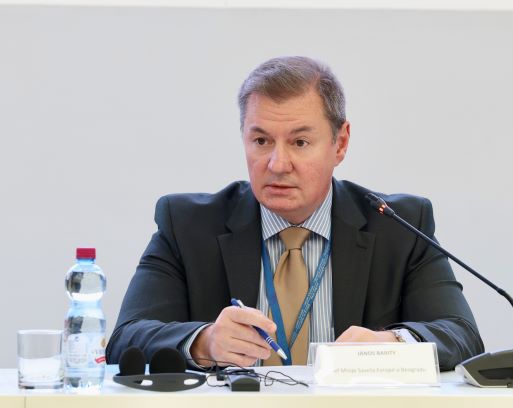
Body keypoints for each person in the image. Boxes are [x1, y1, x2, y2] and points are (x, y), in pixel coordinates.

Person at [106, 56, 484, 371]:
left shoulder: (398, 226)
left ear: (340, 143)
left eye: (300, 142)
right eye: (261, 141)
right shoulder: (187, 226)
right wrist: (205, 342)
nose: (277, 163)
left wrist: (390, 345)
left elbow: (462, 336)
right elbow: (125, 339)